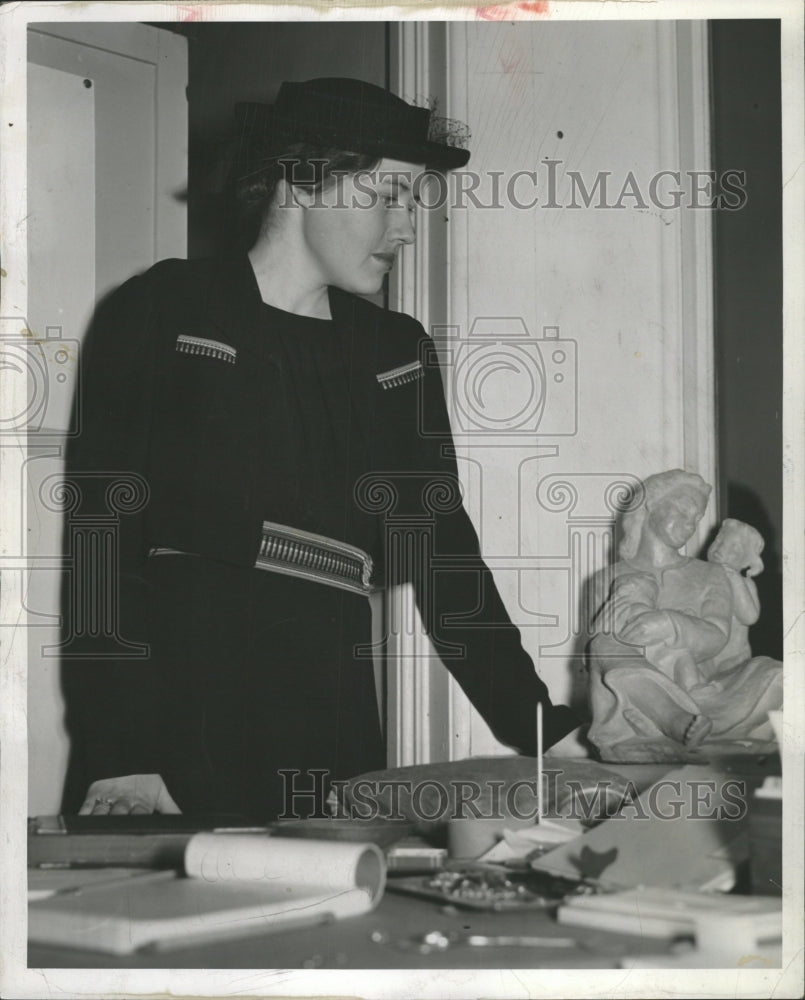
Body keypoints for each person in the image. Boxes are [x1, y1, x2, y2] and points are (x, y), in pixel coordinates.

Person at [60, 78, 578, 820]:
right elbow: (101, 546)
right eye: (388, 194)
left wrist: (539, 731)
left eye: (415, 199)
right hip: (176, 720)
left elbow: (442, 555)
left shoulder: (395, 351)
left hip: (331, 711)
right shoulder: (166, 307)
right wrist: (122, 752)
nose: (406, 225)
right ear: (299, 180)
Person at [587, 469, 782, 762]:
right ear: (651, 505)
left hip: (704, 695)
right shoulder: (607, 579)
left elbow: (716, 635)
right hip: (634, 697)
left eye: (697, 518)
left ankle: (686, 728)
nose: (690, 524)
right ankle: (670, 719)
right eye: (683, 510)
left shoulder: (710, 574)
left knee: (779, 675)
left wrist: (670, 623)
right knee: (602, 645)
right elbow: (601, 655)